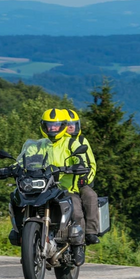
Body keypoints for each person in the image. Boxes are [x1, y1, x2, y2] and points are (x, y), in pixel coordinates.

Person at [40, 108, 87, 265]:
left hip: (65, 189)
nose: (52, 129)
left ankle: (78, 245)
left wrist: (78, 168)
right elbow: (24, 160)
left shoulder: (71, 143)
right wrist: (13, 167)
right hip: (43, 188)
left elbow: (80, 160)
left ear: (62, 126)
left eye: (56, 126)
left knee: (76, 209)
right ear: (44, 126)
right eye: (49, 125)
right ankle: (20, 232)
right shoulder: (39, 145)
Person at [64, 110, 100, 244]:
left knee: (91, 196)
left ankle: (91, 232)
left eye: (74, 124)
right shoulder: (58, 142)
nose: (71, 127)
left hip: (81, 181)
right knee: (76, 207)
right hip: (65, 183)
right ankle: (78, 238)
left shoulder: (82, 140)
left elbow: (92, 164)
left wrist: (86, 178)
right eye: (68, 124)